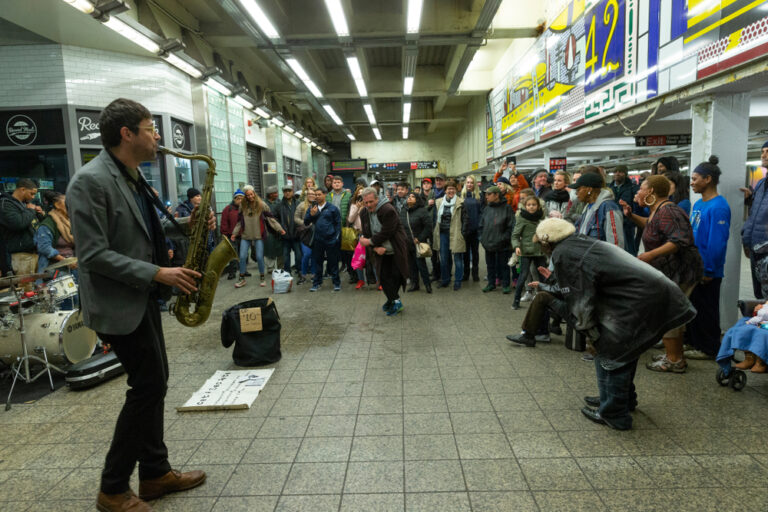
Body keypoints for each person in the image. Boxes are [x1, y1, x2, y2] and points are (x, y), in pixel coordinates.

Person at [67, 98, 209, 511]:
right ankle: (112, 488)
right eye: (151, 128)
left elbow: (142, 226)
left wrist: (187, 225)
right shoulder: (89, 181)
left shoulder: (129, 175)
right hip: (118, 303)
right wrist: (156, 273)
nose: (158, 136)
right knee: (146, 386)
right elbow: (92, 255)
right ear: (126, 134)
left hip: (141, 297)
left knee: (155, 383)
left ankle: (154, 473)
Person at [507, 218, 696, 430]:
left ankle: (614, 413)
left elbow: (580, 301)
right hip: (651, 293)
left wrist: (591, 334)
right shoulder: (577, 242)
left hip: (639, 299)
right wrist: (553, 282)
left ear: (547, 242)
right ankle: (619, 400)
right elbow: (581, 283)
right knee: (626, 350)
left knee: (610, 350)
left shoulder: (563, 253)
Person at [620, 175, 703, 372]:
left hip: (680, 271)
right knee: (673, 312)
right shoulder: (658, 210)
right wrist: (631, 215)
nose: (638, 192)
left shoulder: (669, 211)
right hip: (670, 270)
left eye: (641, 188)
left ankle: (674, 360)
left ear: (651, 192)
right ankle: (674, 354)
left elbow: (679, 240)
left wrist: (650, 255)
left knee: (670, 312)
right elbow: (651, 226)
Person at [685, 156, 731, 360]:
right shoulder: (698, 204)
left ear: (708, 179)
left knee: (707, 310)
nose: (692, 182)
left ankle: (709, 347)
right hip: (695, 266)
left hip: (707, 269)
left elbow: (717, 243)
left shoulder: (718, 207)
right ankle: (695, 342)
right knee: (695, 308)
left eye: (695, 179)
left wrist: (709, 270)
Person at [359, 187, 410, 315]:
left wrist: (370, 242)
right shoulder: (363, 213)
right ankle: (395, 300)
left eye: (371, 201)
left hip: (395, 247)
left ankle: (393, 299)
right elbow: (366, 233)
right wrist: (375, 247)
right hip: (379, 249)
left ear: (377, 199)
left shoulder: (388, 210)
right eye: (366, 202)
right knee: (383, 276)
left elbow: (387, 232)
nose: (369, 205)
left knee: (397, 276)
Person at [231, 185, 284, 288]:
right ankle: (242, 279)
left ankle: (262, 277)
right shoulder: (243, 206)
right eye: (248, 195)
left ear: (254, 193)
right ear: (245, 196)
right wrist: (234, 233)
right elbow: (239, 222)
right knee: (242, 257)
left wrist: (279, 229)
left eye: (251, 194)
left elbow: (270, 219)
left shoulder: (261, 204)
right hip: (246, 235)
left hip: (258, 235)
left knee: (260, 257)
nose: (250, 196)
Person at [741, 141, 768, 299]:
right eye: (762, 151)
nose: (763, 155)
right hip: (755, 247)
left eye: (767, 151)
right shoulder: (762, 183)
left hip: (766, 248)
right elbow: (757, 211)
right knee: (760, 295)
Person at [0, 178, 42, 276]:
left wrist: (40, 214)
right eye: (31, 193)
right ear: (22, 190)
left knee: (36, 288)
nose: (33, 197)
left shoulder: (23, 204)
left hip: (33, 251)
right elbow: (18, 223)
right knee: (25, 288)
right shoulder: (6, 204)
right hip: (20, 254)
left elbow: (33, 223)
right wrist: (30, 211)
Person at [570, 172, 624, 248]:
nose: (576, 193)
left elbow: (616, 246)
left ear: (589, 189)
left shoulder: (608, 208)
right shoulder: (588, 207)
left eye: (578, 189)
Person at [511, 196, 546, 309]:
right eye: (529, 205)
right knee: (523, 275)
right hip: (526, 251)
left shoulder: (542, 216)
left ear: (538, 206)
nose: (531, 207)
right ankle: (516, 300)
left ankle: (545, 300)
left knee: (543, 276)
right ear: (525, 206)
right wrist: (516, 246)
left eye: (534, 204)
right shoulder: (522, 218)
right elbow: (515, 235)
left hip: (540, 250)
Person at [305, 186, 342, 292]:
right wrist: (311, 215)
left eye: (319, 194)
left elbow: (338, 224)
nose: (317, 196)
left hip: (331, 239)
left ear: (325, 194)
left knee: (333, 262)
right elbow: (306, 222)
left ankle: (336, 283)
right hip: (318, 240)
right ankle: (317, 283)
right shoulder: (312, 208)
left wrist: (336, 238)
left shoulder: (332, 208)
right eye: (315, 195)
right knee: (317, 263)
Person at [480, 185, 515, 293]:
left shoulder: (507, 208)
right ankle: (491, 283)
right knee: (490, 265)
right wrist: (482, 238)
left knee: (504, 265)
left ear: (496, 195)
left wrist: (504, 238)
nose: (486, 197)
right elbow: (481, 225)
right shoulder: (487, 209)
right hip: (488, 243)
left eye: (489, 194)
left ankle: (505, 285)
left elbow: (511, 226)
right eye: (486, 194)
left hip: (503, 243)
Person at [433, 180, 466, 290]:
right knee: (444, 258)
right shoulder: (438, 202)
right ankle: (445, 279)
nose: (450, 191)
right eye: (448, 189)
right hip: (442, 233)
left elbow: (466, 219)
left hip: (456, 233)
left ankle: (458, 281)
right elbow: (434, 218)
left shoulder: (461, 202)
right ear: (445, 190)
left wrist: (463, 232)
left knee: (457, 258)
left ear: (456, 190)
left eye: (453, 189)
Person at [34, 191, 77, 275]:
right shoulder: (48, 224)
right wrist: (65, 261)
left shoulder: (69, 222)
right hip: (54, 269)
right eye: (68, 204)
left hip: (72, 266)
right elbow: (44, 247)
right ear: (58, 205)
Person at [400, 191, 433, 293]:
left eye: (412, 197)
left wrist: (420, 238)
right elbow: (400, 225)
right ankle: (415, 284)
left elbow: (428, 226)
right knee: (411, 266)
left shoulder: (422, 211)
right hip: (407, 242)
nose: (409, 198)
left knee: (421, 265)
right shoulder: (403, 210)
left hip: (418, 243)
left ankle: (427, 285)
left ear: (417, 200)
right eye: (409, 196)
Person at [328, 175, 355, 283]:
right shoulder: (328, 196)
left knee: (347, 253)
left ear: (342, 184)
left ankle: (352, 274)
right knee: (333, 252)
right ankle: (333, 274)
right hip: (332, 228)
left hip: (345, 227)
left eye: (338, 182)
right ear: (332, 184)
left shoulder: (348, 195)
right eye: (334, 182)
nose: (336, 184)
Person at [609, 165, 638, 255]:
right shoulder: (609, 188)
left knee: (629, 248)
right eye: (615, 172)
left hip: (627, 224)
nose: (617, 174)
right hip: (612, 222)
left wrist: (631, 221)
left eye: (620, 172)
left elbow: (635, 206)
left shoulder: (632, 188)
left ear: (625, 174)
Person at [461, 175, 483, 282]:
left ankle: (475, 274)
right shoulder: (461, 197)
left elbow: (481, 213)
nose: (469, 184)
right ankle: (466, 274)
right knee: (465, 254)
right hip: (465, 230)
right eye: (468, 182)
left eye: (471, 182)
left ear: (474, 184)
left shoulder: (479, 197)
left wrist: (480, 227)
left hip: (475, 230)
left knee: (475, 254)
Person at [275, 184, 301, 274]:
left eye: (289, 191)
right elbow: (275, 219)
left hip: (296, 234)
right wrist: (280, 229)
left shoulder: (298, 204)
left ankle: (299, 271)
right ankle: (287, 272)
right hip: (285, 235)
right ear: (283, 193)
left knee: (298, 255)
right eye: (285, 191)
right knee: (286, 256)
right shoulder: (279, 205)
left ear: (292, 192)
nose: (287, 193)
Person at [294, 187, 316, 285]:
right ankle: (303, 275)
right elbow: (296, 218)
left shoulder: (319, 205)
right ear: (307, 195)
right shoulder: (301, 205)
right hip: (305, 234)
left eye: (313, 194)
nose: (311, 195)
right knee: (306, 254)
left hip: (316, 233)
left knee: (315, 255)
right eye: (309, 194)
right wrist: (305, 223)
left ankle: (314, 275)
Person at [220, 189, 244, 280]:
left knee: (243, 255)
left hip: (243, 236)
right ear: (234, 199)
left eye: (242, 199)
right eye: (238, 198)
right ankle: (232, 272)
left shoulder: (245, 209)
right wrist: (224, 234)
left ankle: (243, 271)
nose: (240, 200)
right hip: (231, 236)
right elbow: (224, 222)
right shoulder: (228, 209)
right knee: (233, 256)